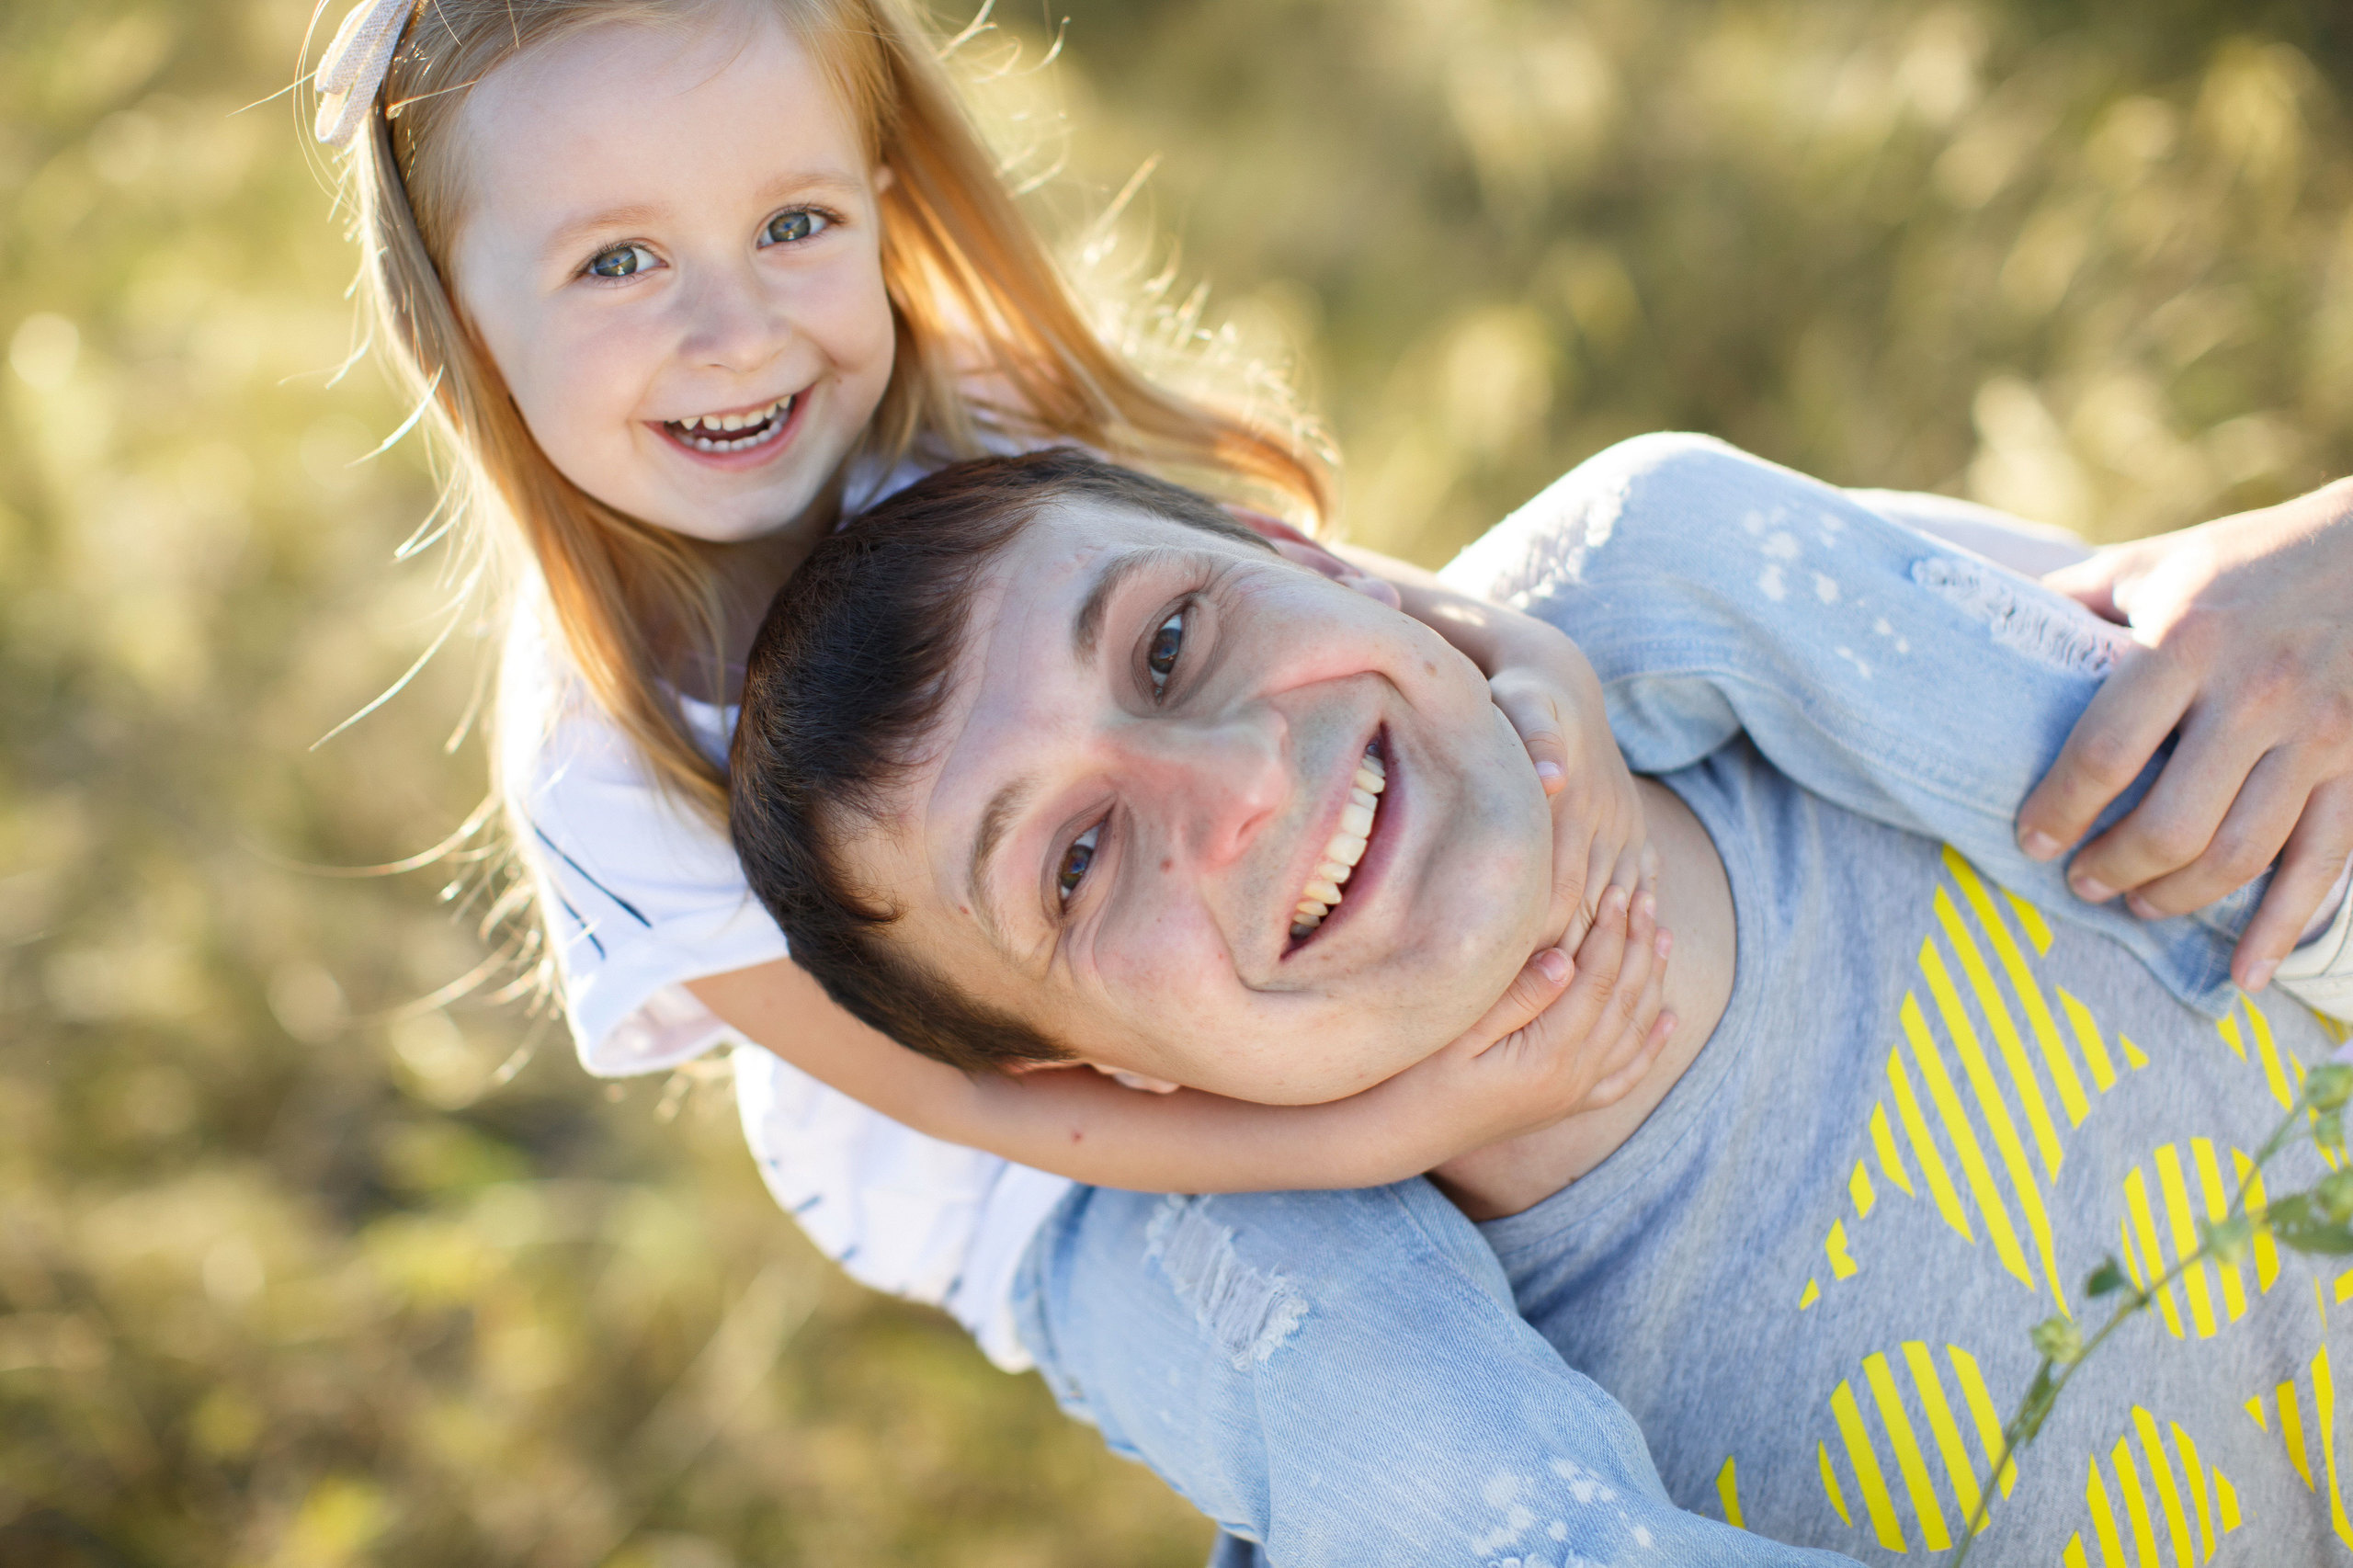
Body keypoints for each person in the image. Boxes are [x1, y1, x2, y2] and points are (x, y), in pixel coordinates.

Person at [307, 0, 2353, 1559]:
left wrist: (1539, 683)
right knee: (1344, 1350)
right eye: (613, 266)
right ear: (458, 333)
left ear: (884, 203)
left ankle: (2234, 868)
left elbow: (1319, 587)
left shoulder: (975, 400)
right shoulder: (596, 753)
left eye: (792, 220)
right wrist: (1412, 1107)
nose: (738, 323)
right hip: (1044, 1179)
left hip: (1190, 929)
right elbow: (970, 1099)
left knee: (1650, 546)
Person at [729, 438, 2353, 1564]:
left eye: (1170, 640)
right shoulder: (1431, 1424)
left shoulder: (1807, 628)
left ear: (1304, 558)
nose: (1234, 780)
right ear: (1098, 1077)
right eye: (1077, 862)